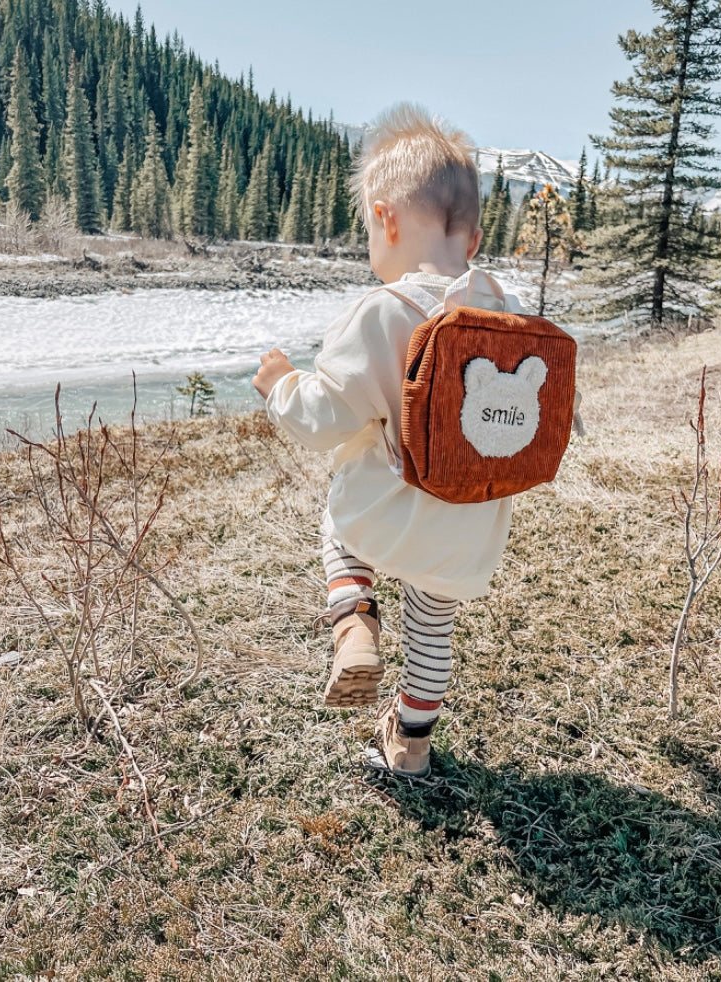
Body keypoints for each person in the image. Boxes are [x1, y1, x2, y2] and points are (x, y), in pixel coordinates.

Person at [252, 104, 532, 778]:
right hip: (469, 528)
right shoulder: (509, 315)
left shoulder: (382, 313)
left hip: (388, 514)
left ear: (386, 219)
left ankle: (354, 623)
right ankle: (411, 744)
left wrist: (280, 385)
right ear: (473, 237)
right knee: (434, 625)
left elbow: (324, 419)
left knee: (338, 528)